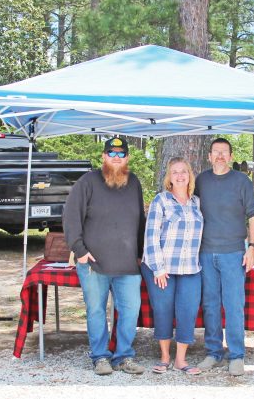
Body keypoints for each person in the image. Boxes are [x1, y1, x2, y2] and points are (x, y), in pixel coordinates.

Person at [63, 137, 147, 376]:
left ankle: (124, 357)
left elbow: (140, 221)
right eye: (112, 153)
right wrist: (79, 251)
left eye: (121, 154)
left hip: (128, 264)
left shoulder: (134, 183)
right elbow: (70, 216)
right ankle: (100, 357)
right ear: (104, 156)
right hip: (93, 263)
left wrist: (139, 253)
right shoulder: (87, 181)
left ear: (127, 158)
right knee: (96, 311)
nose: (116, 158)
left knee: (130, 310)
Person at [194, 138, 254, 376]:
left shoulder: (241, 181)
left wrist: (252, 246)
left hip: (233, 252)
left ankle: (236, 355)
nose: (220, 156)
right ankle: (213, 352)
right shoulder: (200, 180)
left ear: (231, 156)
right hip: (205, 252)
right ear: (209, 156)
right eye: (216, 152)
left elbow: (253, 215)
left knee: (233, 306)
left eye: (224, 152)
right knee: (210, 305)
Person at [141, 157, 204, 376]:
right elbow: (151, 236)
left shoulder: (196, 202)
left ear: (189, 176)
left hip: (190, 268)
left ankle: (180, 360)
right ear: (169, 177)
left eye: (183, 171)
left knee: (188, 311)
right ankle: (165, 357)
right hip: (162, 268)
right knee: (163, 310)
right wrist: (158, 268)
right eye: (175, 172)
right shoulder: (161, 200)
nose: (180, 175)